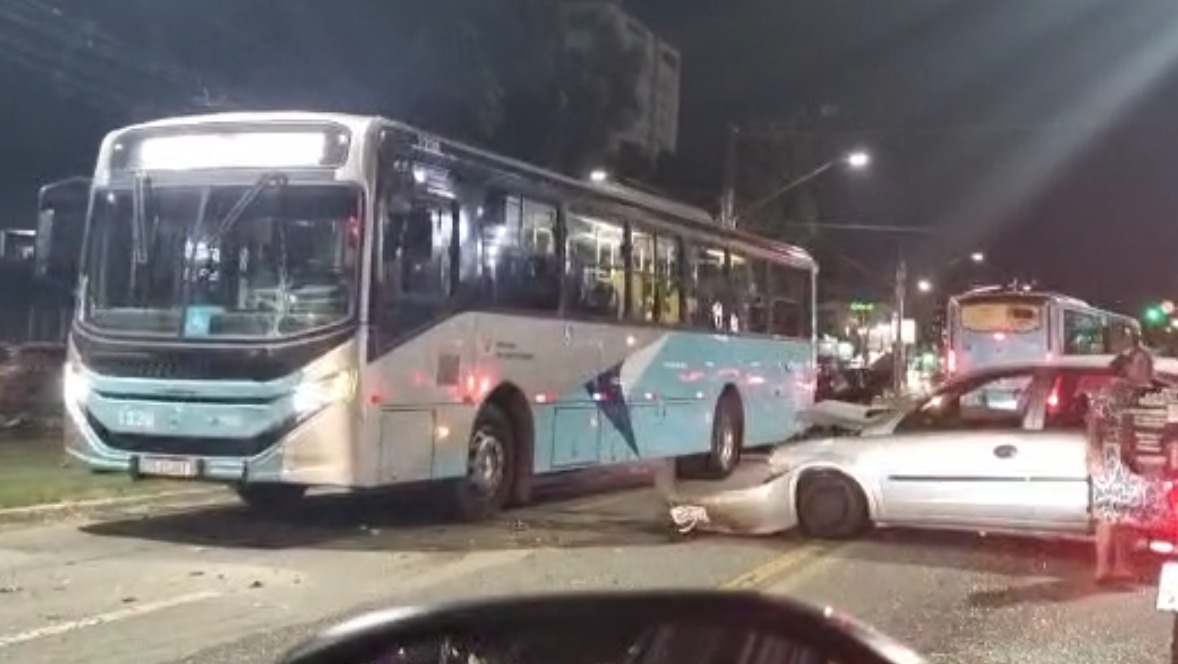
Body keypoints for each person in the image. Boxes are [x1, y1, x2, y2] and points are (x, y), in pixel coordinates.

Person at [1087, 345, 1173, 583]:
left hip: (1136, 461)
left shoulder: (1153, 394)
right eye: (1139, 363)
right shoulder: (1111, 392)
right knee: (1108, 515)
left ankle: (1121, 566)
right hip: (1112, 460)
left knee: (1128, 517)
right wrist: (1096, 457)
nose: (1145, 368)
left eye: (1148, 364)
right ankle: (1102, 568)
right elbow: (1094, 426)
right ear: (1127, 367)